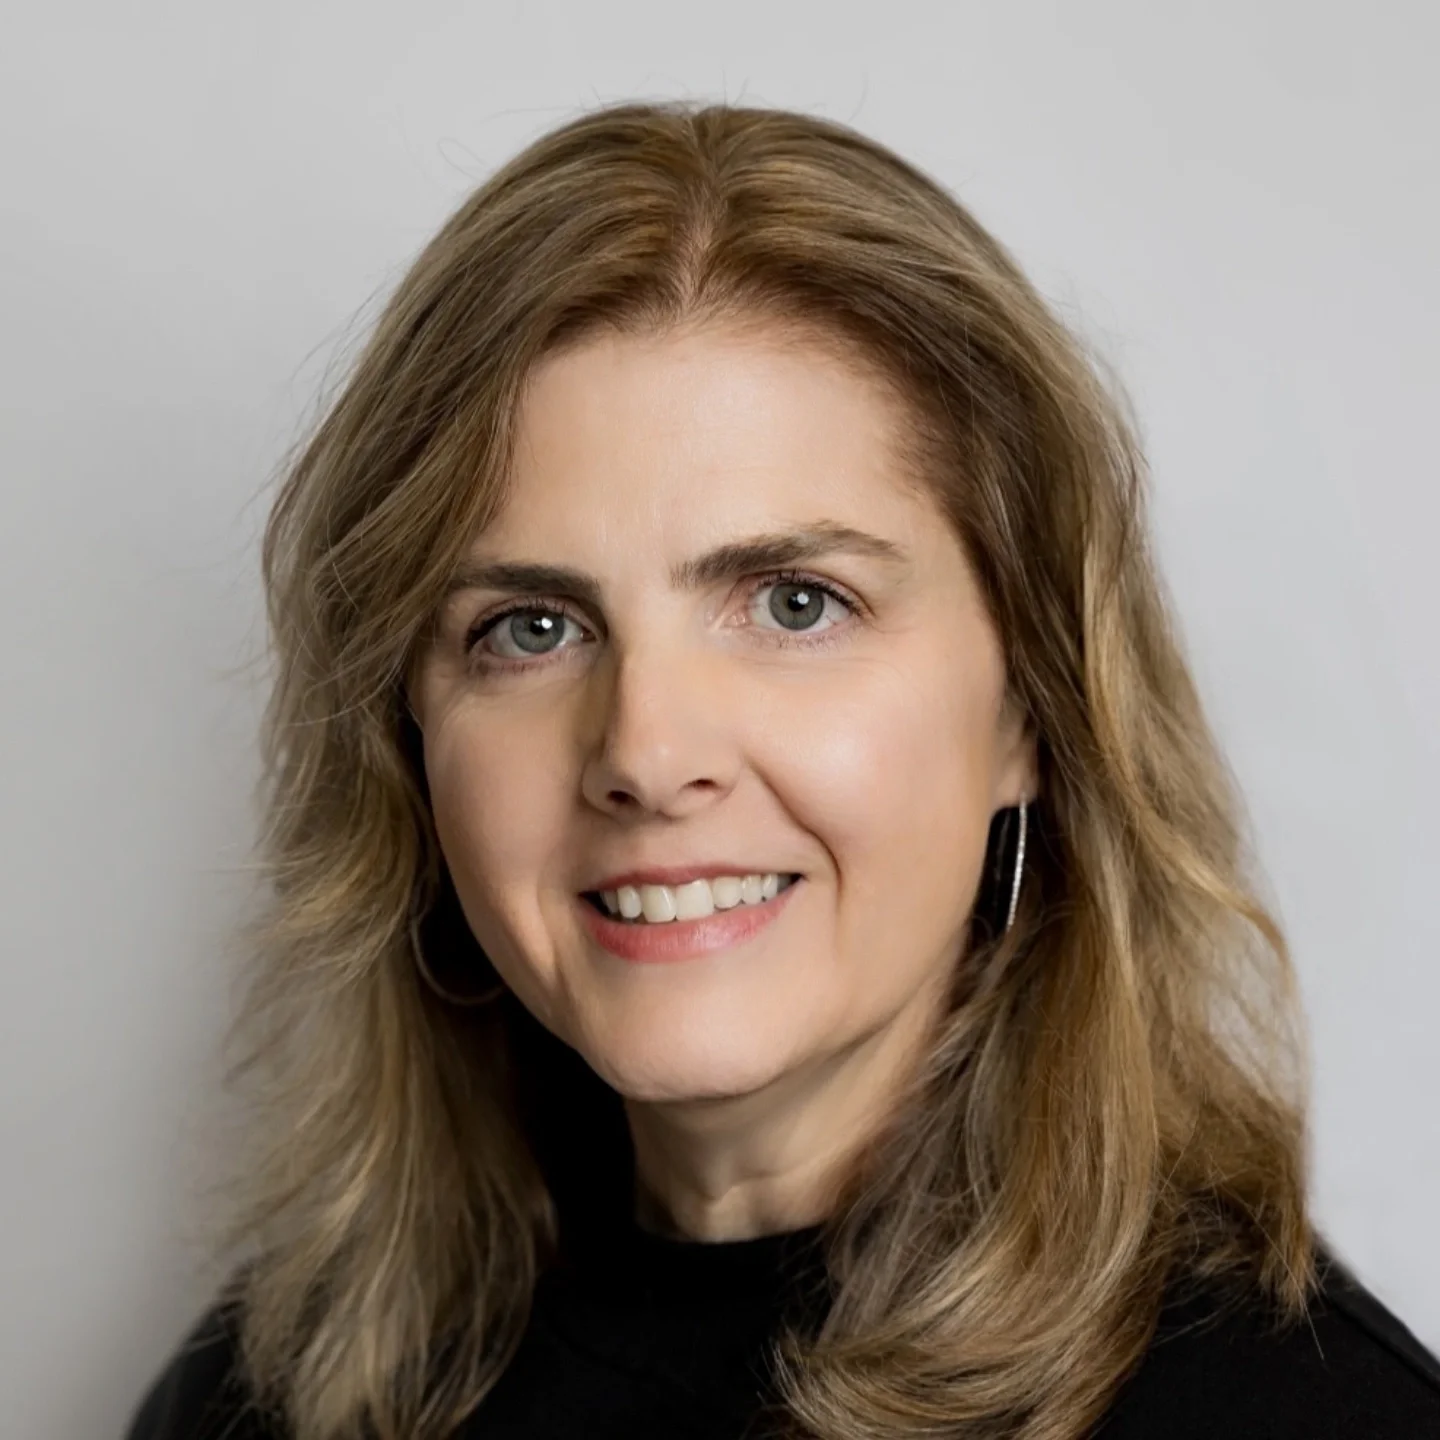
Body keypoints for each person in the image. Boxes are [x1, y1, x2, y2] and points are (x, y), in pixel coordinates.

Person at [124, 100, 1440, 1440]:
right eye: (531, 629)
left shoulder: (1312, 1416)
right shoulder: (264, 1396)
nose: (644, 752)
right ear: (410, 739)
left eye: (796, 604)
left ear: (1034, 710)